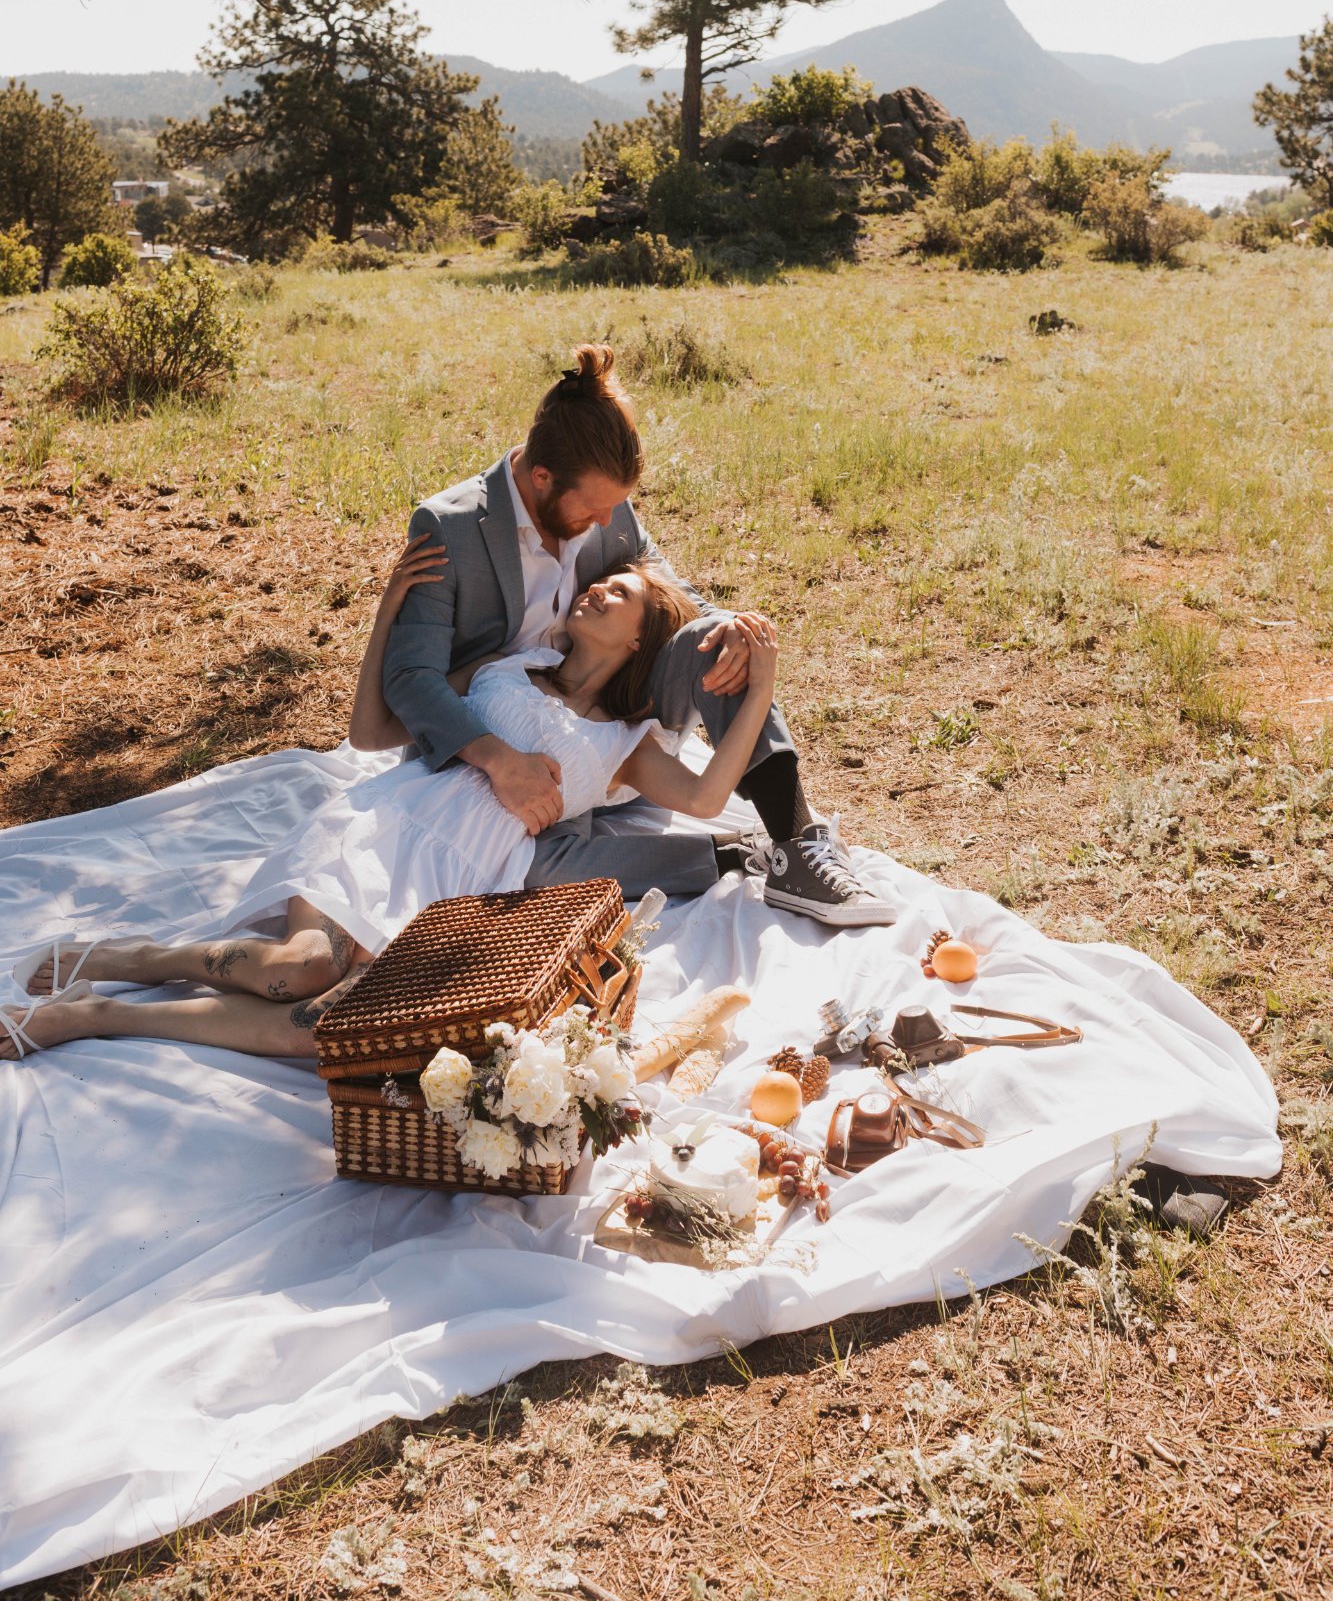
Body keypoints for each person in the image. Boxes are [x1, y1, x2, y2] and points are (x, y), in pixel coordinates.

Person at [1, 558, 778, 1063]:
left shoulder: (624, 743)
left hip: (461, 888)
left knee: (328, 1026)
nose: (596, 589)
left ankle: (99, 1011)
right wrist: (386, 617)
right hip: (386, 828)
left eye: (622, 594)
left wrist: (761, 687)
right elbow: (371, 732)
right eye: (600, 582)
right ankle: (133, 961)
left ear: (642, 635)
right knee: (302, 967)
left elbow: (710, 799)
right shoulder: (504, 669)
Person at [377, 342, 894, 927]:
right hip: (499, 728)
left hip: (607, 712)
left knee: (716, 641)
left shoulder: (608, 507)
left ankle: (798, 845)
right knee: (528, 870)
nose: (605, 525)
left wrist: (731, 630)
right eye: (592, 511)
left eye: (614, 511)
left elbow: (676, 592)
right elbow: (412, 677)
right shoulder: (448, 526)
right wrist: (499, 760)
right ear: (541, 478)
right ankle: (731, 856)